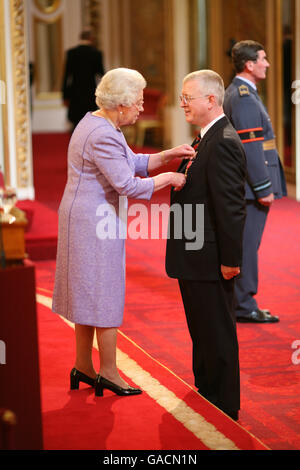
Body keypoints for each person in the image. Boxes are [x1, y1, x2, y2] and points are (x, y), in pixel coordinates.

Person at [52, 67, 195, 398]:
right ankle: (109, 371)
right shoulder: (102, 133)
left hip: (86, 217)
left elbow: (132, 161)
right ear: (121, 105)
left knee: (88, 291)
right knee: (103, 291)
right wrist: (171, 178)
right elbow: (127, 183)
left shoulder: (99, 123)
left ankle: (83, 365)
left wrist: (169, 155)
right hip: (92, 222)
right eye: (139, 102)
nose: (142, 108)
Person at [165, 70, 246, 421]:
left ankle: (224, 400)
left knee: (216, 328)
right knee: (202, 326)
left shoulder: (223, 141)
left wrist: (230, 259)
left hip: (212, 256)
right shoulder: (204, 139)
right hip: (195, 254)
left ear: (210, 100)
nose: (182, 103)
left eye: (188, 97)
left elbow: (230, 208)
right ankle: (208, 388)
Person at [224, 40, 287, 323]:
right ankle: (244, 305)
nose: (267, 63)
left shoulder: (240, 93)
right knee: (248, 246)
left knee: (245, 244)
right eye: (263, 59)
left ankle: (240, 301)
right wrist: (263, 188)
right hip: (251, 188)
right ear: (249, 65)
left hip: (246, 185)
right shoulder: (244, 97)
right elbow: (251, 148)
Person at [62, 30, 105, 130]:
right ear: (91, 38)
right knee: (89, 121)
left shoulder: (71, 53)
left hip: (75, 92)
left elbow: (66, 75)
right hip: (90, 91)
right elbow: (101, 75)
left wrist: (64, 95)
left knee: (76, 122)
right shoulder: (96, 53)